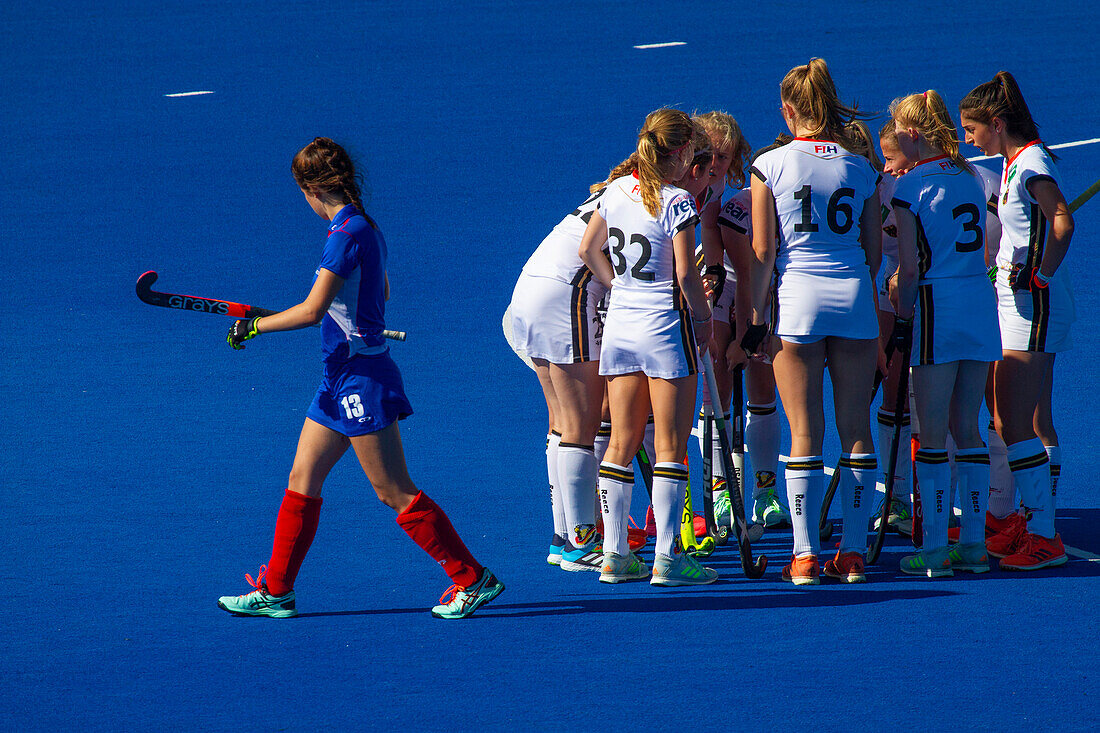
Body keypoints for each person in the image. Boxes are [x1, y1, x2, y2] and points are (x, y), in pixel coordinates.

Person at [217, 137, 503, 619]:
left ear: (311, 188)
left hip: (361, 381)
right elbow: (379, 289)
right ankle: (277, 590)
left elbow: (310, 312)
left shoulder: (344, 235)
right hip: (338, 378)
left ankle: (471, 579)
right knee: (302, 478)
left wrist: (256, 325)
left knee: (393, 490)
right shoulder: (364, 227)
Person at [741, 58, 882, 585]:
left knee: (805, 432)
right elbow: (872, 252)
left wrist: (756, 319)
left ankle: (803, 555)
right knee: (856, 431)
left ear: (788, 110)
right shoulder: (860, 165)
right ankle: (852, 551)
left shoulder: (770, 164)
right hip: (852, 298)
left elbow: (762, 249)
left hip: (799, 301)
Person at [578, 108, 719, 585]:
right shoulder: (679, 201)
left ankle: (616, 554)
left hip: (621, 326)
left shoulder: (616, 189)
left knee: (620, 440)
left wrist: (617, 285)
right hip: (665, 327)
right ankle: (667, 559)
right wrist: (702, 320)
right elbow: (684, 273)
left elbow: (588, 249)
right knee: (671, 448)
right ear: (680, 153)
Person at [958, 72, 1074, 570]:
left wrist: (1040, 274)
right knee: (1021, 419)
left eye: (972, 128)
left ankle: (1043, 535)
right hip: (1016, 302)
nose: (968, 138)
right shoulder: (1014, 163)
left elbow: (1062, 221)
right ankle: (1035, 521)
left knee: (1015, 420)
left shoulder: (1030, 164)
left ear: (997, 123)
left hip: (1030, 307)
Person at [889, 91, 1002, 577]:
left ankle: (935, 547)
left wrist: (900, 308)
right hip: (979, 300)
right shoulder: (971, 177)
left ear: (913, 134)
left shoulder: (910, 186)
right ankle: (973, 543)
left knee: (932, 433)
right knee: (969, 426)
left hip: (937, 305)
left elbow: (911, 269)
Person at [507, 156, 637, 572]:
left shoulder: (618, 189)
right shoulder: (651, 198)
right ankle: (582, 542)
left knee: (561, 422)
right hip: (566, 295)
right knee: (582, 425)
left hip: (530, 289)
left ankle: (564, 537)